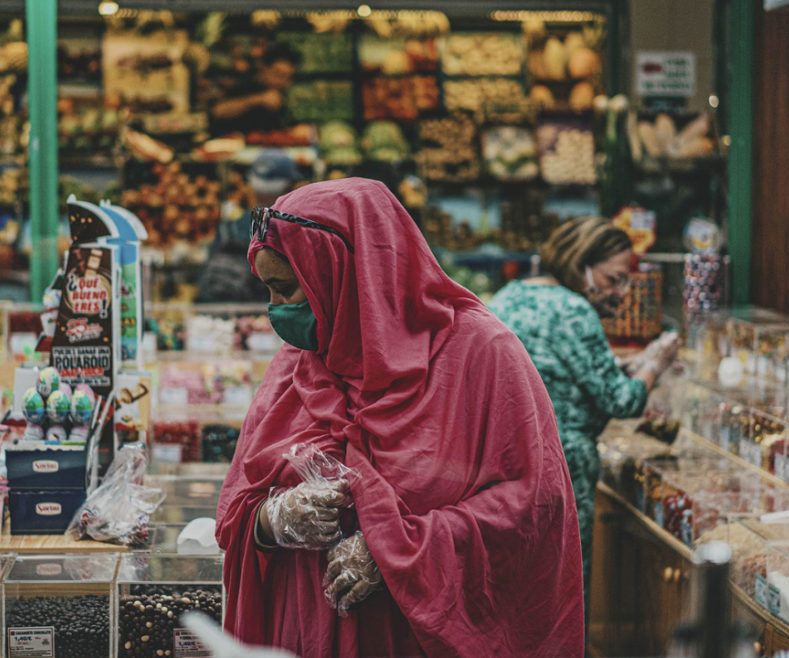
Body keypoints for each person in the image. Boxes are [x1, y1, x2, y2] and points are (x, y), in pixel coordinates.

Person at [216, 178, 585, 656]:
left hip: (419, 636)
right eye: (269, 291)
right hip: (308, 632)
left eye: (288, 289)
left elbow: (533, 504)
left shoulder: (480, 352)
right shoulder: (301, 359)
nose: (277, 310)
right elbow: (237, 509)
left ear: (348, 273)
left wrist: (397, 551)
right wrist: (274, 520)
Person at [489, 217, 680, 615]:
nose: (622, 293)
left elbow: (560, 366)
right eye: (614, 280)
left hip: (505, 462)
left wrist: (627, 363)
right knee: (563, 591)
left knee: (516, 589)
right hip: (564, 468)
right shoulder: (575, 309)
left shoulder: (509, 295)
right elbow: (620, 400)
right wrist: (655, 364)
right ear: (582, 265)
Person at [196, 150, 301, 303]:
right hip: (265, 315)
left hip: (223, 316)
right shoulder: (294, 229)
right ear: (289, 186)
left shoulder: (229, 227)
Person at [210, 43, 300, 136]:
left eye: (288, 77)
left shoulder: (282, 93)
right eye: (278, 74)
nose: (283, 82)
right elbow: (217, 112)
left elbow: (285, 126)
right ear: (263, 68)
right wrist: (259, 100)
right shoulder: (245, 83)